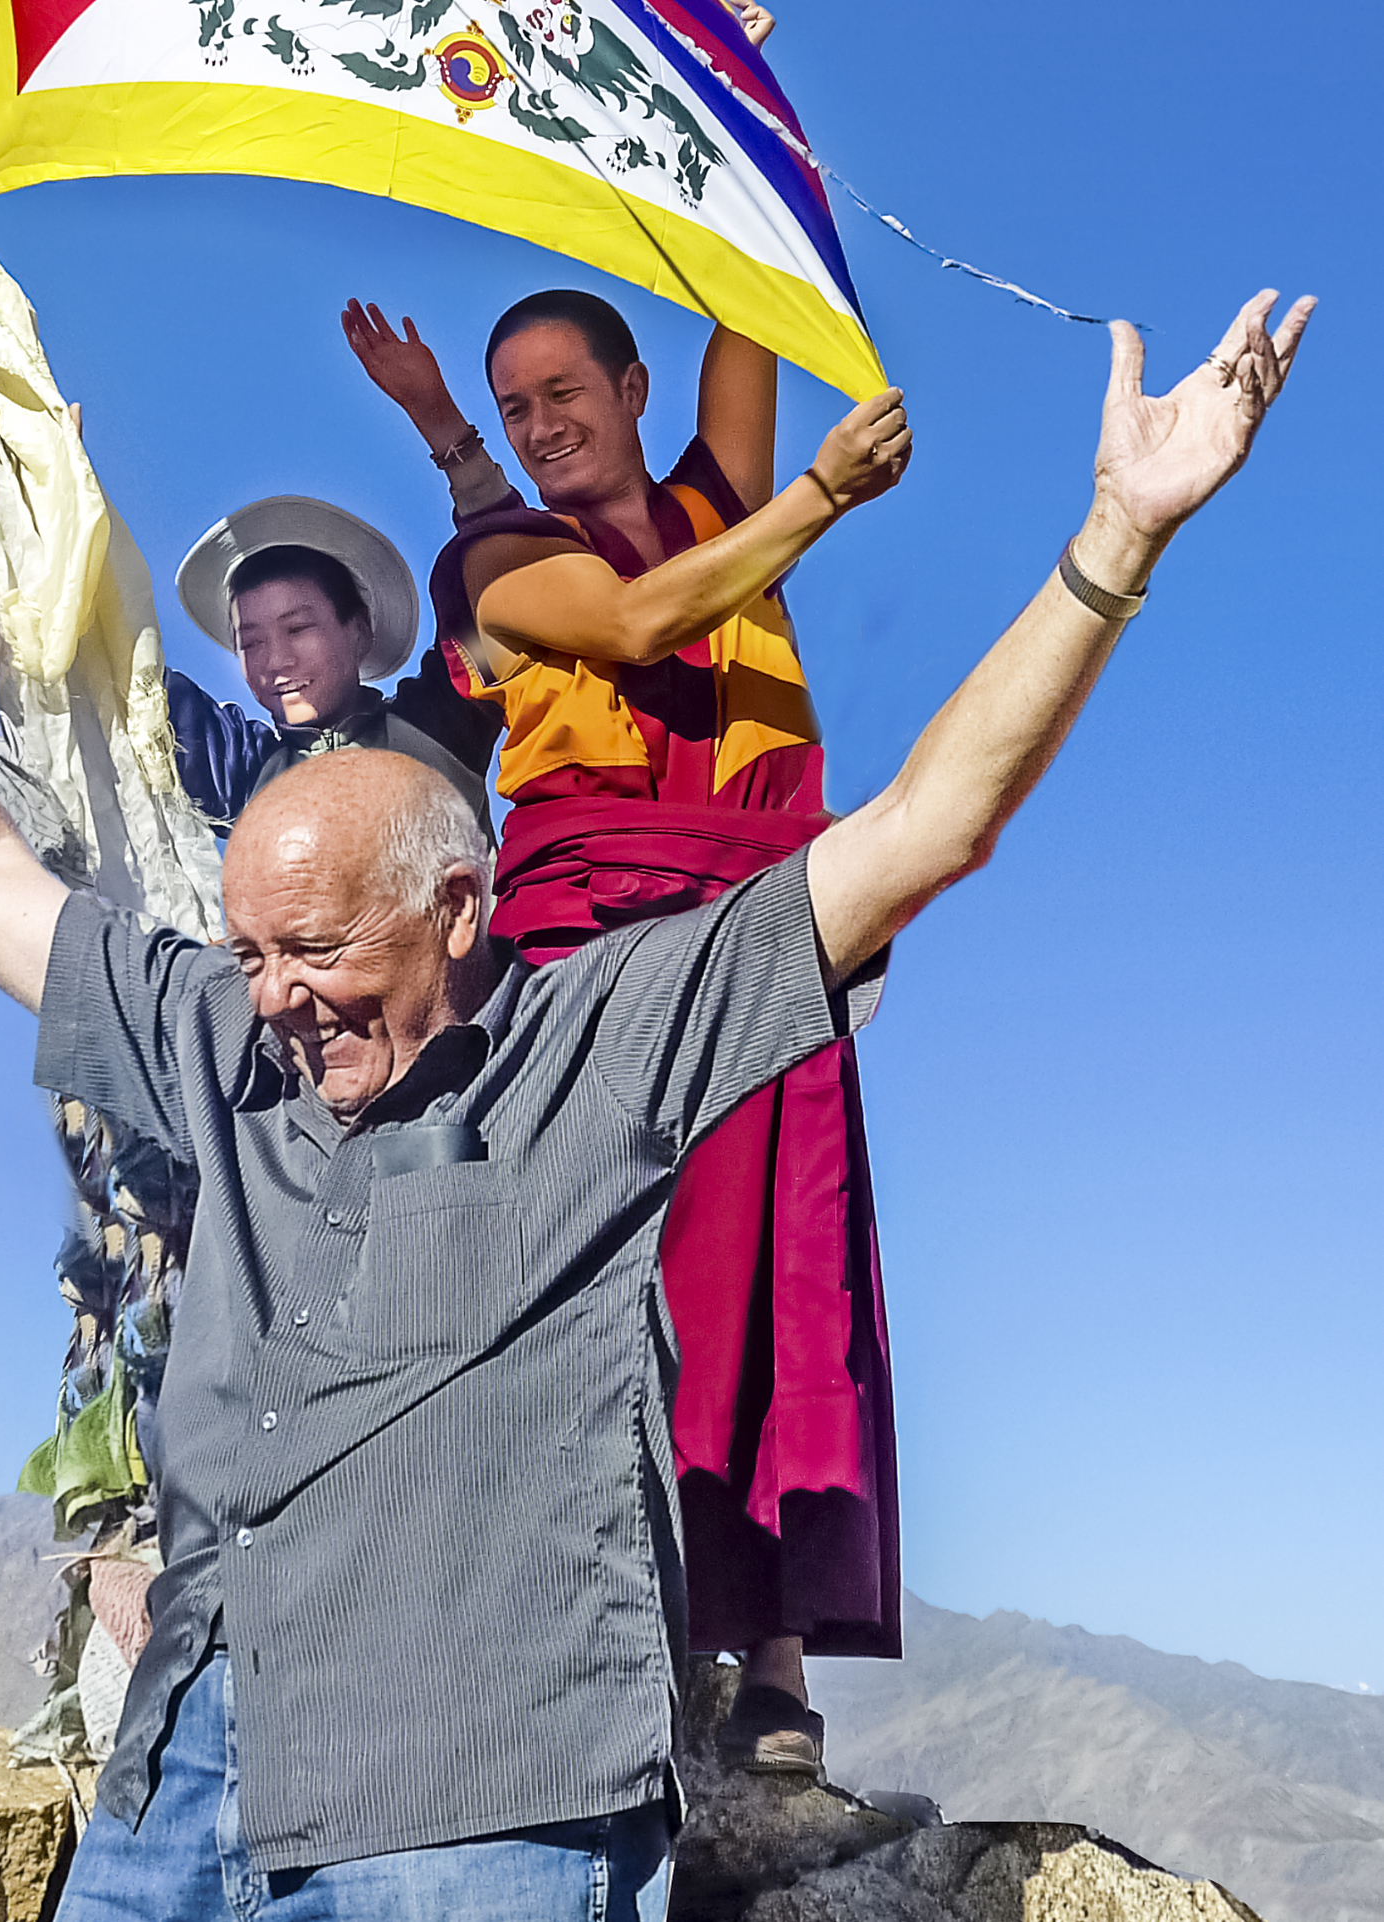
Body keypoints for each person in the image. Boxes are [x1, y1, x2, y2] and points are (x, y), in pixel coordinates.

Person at [0, 286, 1310, 1919]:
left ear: (462, 908)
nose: (276, 994)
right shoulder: (229, 1039)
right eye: (250, 950)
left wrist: (1117, 538)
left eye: (320, 949)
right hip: (189, 1789)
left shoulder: (604, 1039)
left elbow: (927, 825)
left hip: (479, 1801)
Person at [341, 277, 910, 1770]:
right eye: (511, 408)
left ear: (632, 387)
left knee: (775, 1275)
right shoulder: (497, 559)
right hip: (596, 954)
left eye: (562, 393)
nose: (540, 426)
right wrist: (822, 498)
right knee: (619, 1276)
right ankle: (610, 1642)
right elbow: (649, 613)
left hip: (767, 920)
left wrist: (752, 175)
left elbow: (748, 298)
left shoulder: (712, 497)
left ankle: (773, 1657)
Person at [162, 493, 505, 842]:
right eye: (250, 643)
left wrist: (474, 480)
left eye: (297, 628)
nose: (276, 660)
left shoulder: (436, 727)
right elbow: (141, 686)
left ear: (360, 629)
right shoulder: (246, 777)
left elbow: (496, 586)